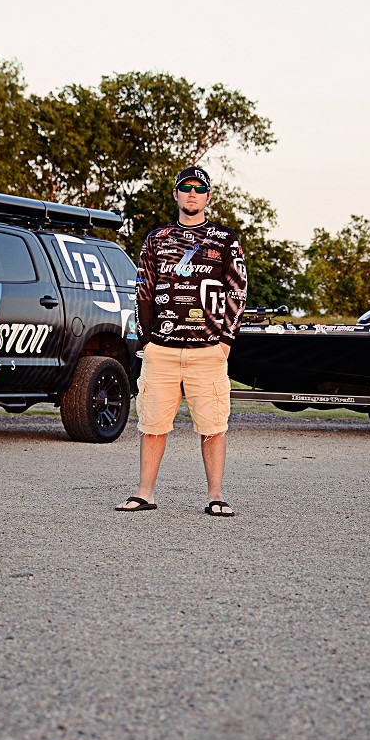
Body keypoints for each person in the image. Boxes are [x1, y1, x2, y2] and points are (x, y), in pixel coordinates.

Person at [115, 166, 247, 517]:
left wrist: (225, 342)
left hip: (208, 351)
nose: (192, 193)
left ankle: (216, 496)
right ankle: (144, 493)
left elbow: (238, 290)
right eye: (186, 187)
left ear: (208, 197)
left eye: (199, 189)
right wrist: (147, 341)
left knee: (214, 426)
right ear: (175, 194)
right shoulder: (157, 239)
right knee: (152, 425)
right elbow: (143, 291)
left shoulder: (225, 239)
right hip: (162, 350)